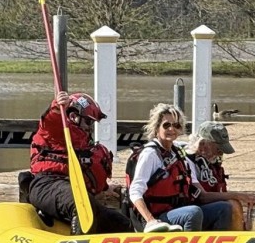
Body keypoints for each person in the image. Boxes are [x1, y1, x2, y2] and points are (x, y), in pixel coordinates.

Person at [24, 90, 134, 234]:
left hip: (74, 188)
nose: (90, 127)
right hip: (46, 185)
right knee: (82, 205)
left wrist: (105, 188)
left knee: (121, 223)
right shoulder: (56, 131)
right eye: (88, 121)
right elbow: (50, 121)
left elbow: (87, 171)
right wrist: (57, 106)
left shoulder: (83, 143)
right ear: (73, 116)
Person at [126, 103, 234, 233]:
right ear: (156, 128)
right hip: (156, 218)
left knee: (224, 208)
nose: (171, 129)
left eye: (176, 125)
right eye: (166, 125)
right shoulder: (150, 154)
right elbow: (135, 191)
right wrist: (150, 220)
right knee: (193, 212)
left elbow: (198, 191)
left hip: (177, 211)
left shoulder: (178, 152)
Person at [184, 121, 255, 231]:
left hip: (218, 211)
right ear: (202, 144)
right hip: (197, 212)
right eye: (218, 149)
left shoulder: (211, 162)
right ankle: (237, 239)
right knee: (232, 205)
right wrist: (238, 196)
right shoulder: (187, 161)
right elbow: (202, 196)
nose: (221, 153)